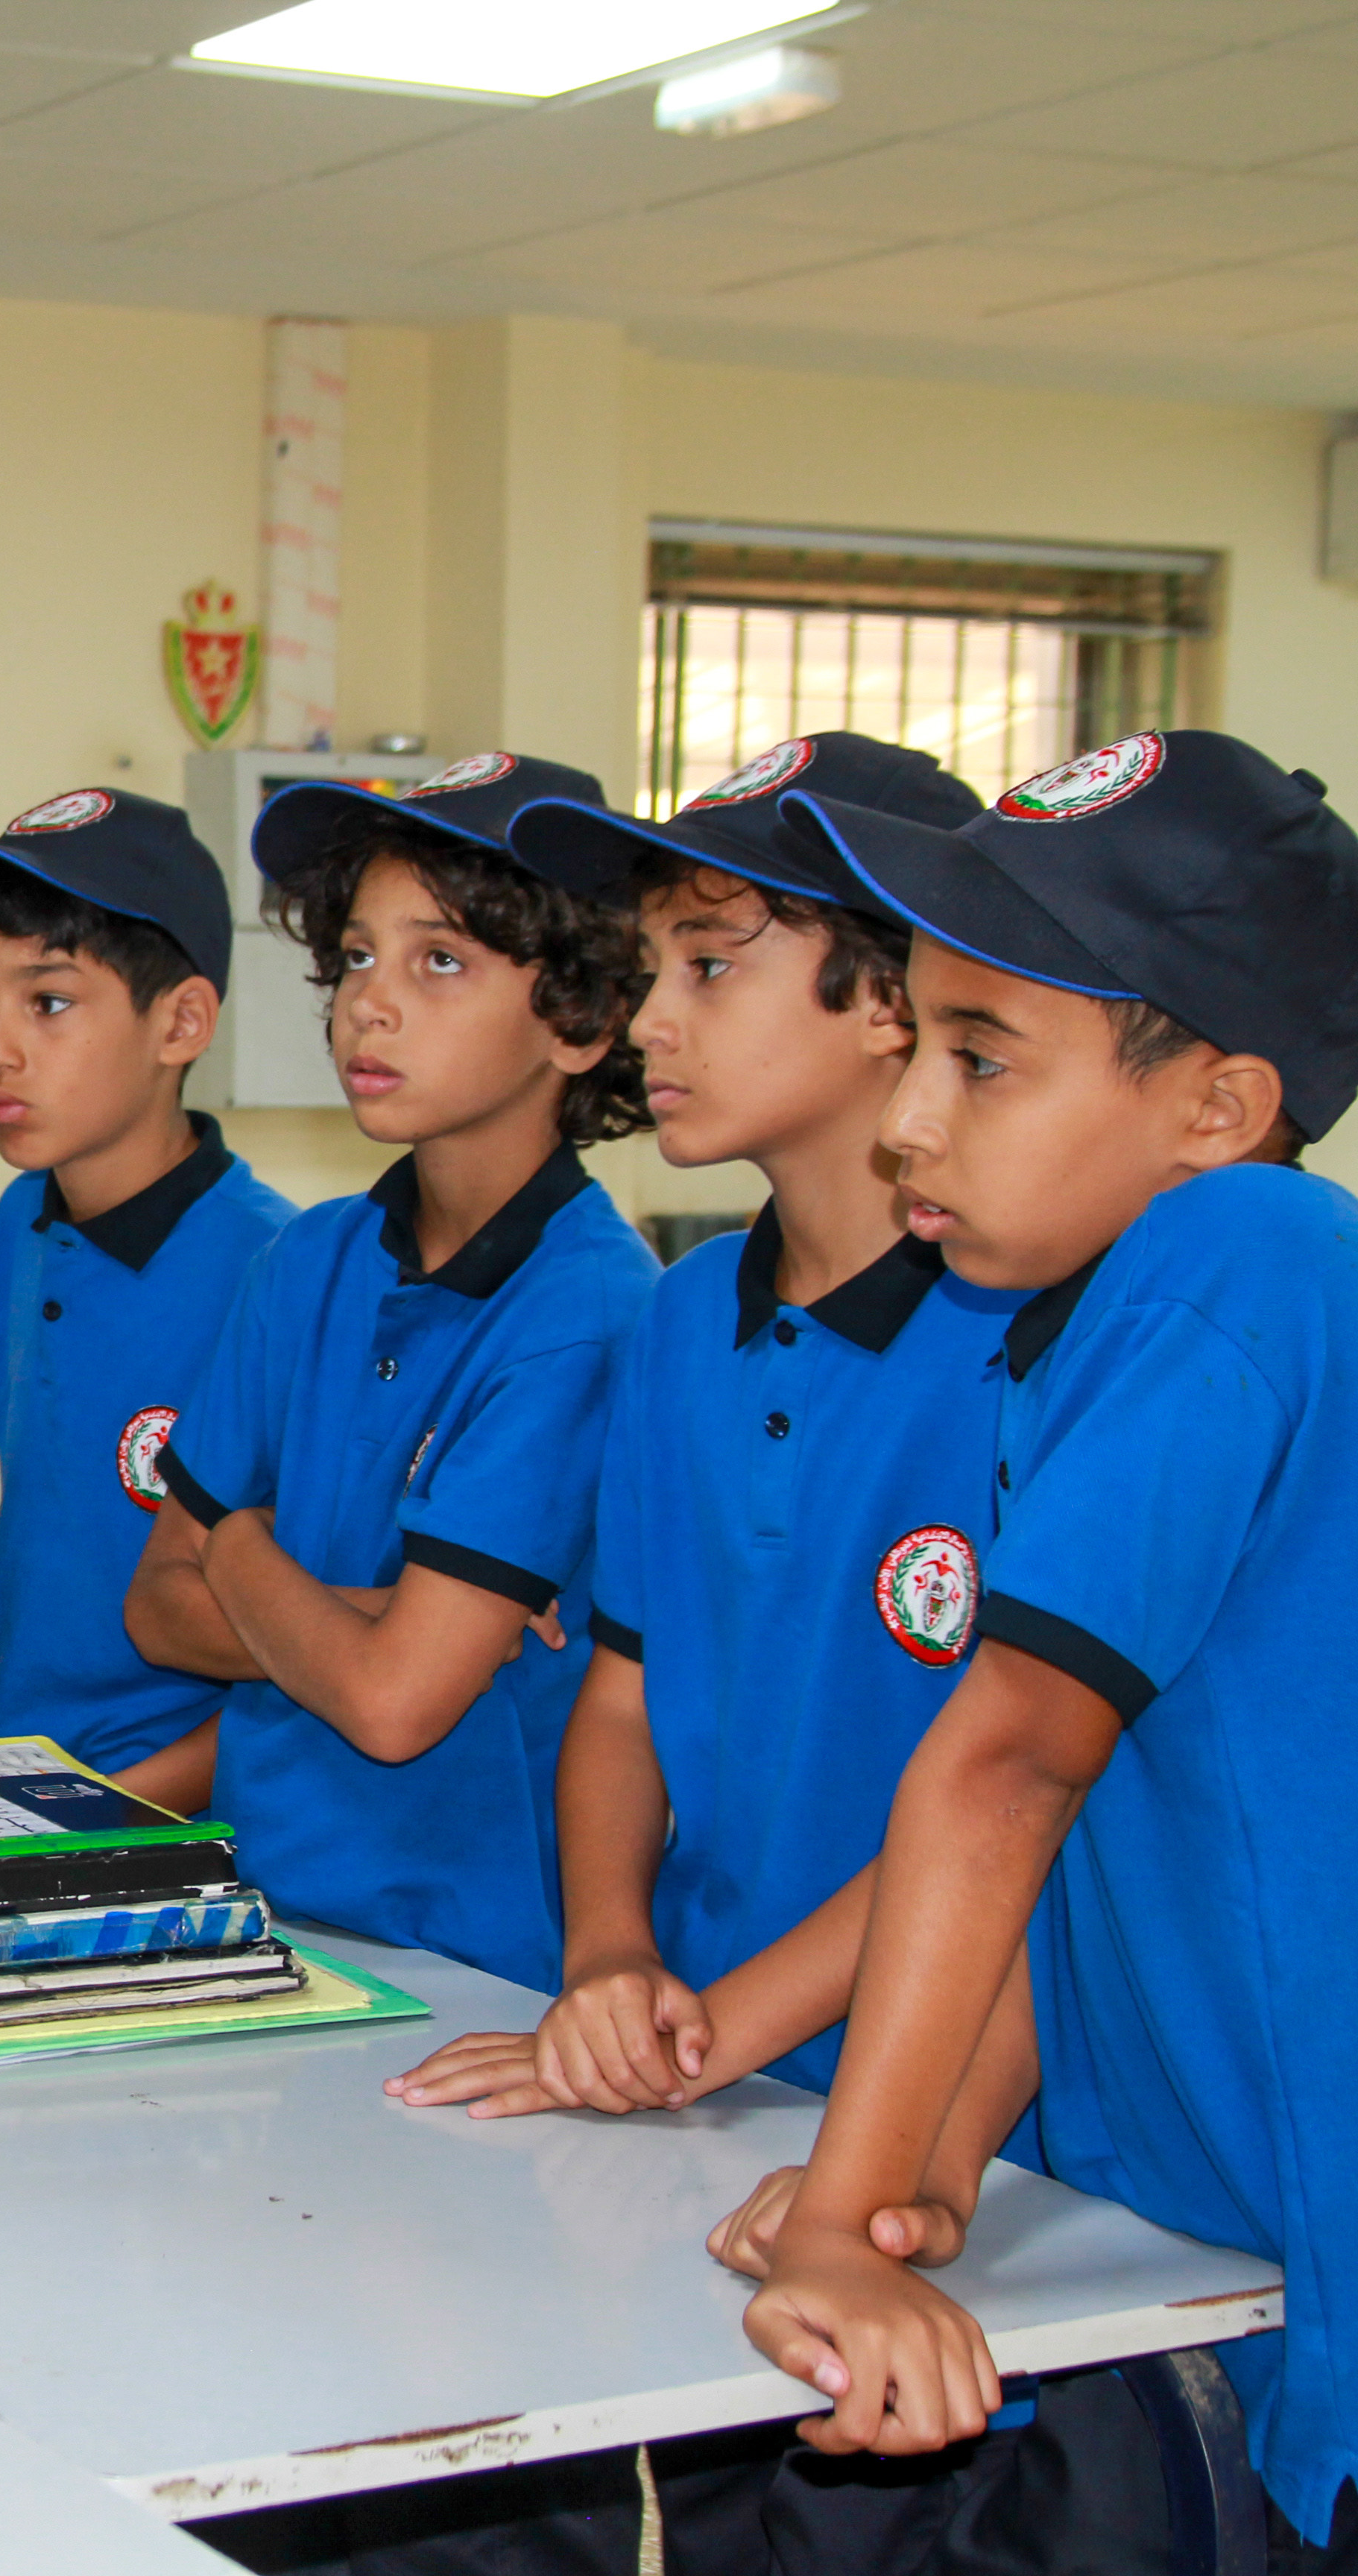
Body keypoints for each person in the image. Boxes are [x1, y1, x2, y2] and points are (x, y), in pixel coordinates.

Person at [729, 733, 1358, 2563]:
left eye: (982, 1062)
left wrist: (847, 2221)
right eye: (915, 1042)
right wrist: (923, 2158)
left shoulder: (1242, 1257)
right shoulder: (1073, 1328)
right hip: (1206, 2230)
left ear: (1220, 1108)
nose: (912, 1116)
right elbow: (1082, 1837)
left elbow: (1009, 1766)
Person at [391, 735, 1013, 2125]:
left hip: (961, 2099)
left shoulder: (1030, 1340)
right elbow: (625, 1698)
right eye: (650, 971)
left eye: (710, 967)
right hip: (706, 2059)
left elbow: (1022, 1803)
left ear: (893, 1002)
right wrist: (612, 1962)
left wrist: (701, 2041)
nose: (650, 1021)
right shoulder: (679, 1323)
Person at [121, 753, 657, 1992]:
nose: (370, 1004)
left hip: (473, 1955)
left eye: (441, 961)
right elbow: (157, 1605)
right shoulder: (310, 1261)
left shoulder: (588, 1309)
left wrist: (242, 1551)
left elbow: (395, 1704)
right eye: (357, 957)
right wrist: (370, 1619)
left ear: (574, 1019)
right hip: (256, 1913)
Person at [0, 789, 290, 1809]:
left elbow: (305, 1643)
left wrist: (108, 1816)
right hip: (24, 1791)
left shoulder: (280, 1271)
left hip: (190, 1817)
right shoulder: (25, 1223)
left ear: (181, 1022)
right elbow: (32, 1509)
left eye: (48, 1002)